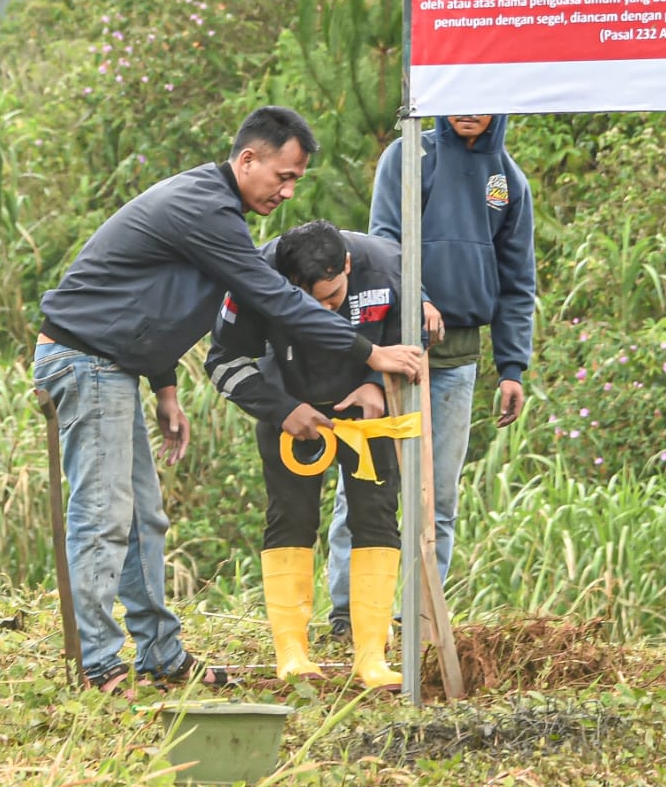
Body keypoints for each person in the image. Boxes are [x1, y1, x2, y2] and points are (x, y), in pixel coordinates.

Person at [32, 107, 424, 695]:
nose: (288, 191)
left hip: (117, 366)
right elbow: (272, 296)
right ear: (248, 159)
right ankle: (99, 664)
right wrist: (372, 354)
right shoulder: (205, 208)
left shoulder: (213, 209)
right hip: (86, 361)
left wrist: (164, 385)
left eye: (297, 180)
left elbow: (148, 299)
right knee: (105, 516)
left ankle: (160, 656)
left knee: (144, 519)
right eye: (283, 176)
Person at [325, 113, 536, 634]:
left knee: (438, 497)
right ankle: (348, 614)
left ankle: (419, 616)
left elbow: (517, 281)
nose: (469, 109)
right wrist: (416, 299)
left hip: (458, 359)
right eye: (457, 97)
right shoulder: (408, 155)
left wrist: (512, 366)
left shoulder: (507, 179)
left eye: (482, 99)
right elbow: (384, 242)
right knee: (365, 482)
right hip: (390, 351)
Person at [207, 220, 415, 691]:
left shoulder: (388, 265)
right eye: (307, 304)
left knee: (377, 517)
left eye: (333, 299)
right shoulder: (253, 276)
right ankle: (292, 654)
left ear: (345, 265)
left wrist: (378, 383)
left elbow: (415, 344)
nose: (323, 312)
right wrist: (282, 410)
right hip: (290, 412)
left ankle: (371, 657)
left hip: (367, 413)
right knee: (291, 519)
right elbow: (221, 362)